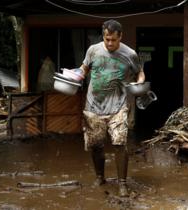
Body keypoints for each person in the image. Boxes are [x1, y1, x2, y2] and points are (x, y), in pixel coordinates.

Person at [74, 19, 145, 197]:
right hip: (93, 106)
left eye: (113, 39)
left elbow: (140, 72)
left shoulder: (130, 54)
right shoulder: (93, 50)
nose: (110, 43)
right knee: (96, 145)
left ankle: (122, 183)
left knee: (120, 143)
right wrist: (76, 76)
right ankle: (100, 177)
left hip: (118, 106)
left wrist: (139, 83)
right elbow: (84, 68)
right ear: (103, 36)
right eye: (107, 39)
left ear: (120, 36)